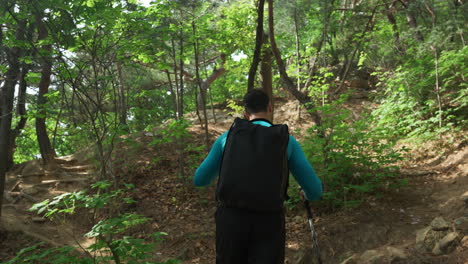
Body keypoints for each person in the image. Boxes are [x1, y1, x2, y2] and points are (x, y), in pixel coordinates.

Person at [194, 89, 322, 264]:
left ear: (246, 113)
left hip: (230, 222)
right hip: (269, 222)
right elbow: (315, 191)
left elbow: (199, 179)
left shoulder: (227, 139)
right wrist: (307, 193)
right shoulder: (286, 141)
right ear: (270, 107)